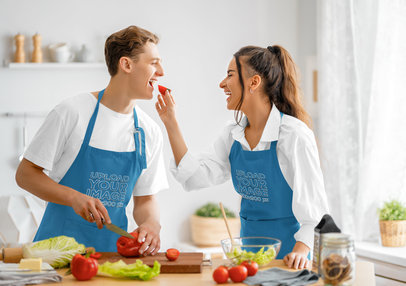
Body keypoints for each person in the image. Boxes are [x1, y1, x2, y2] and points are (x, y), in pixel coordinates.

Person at [155, 45, 329, 269]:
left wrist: (299, 253)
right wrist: (171, 123)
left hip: (291, 259)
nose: (222, 84)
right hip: (249, 260)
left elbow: (315, 212)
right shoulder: (232, 134)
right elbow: (195, 177)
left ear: (253, 82)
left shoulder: (293, 135)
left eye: (230, 75)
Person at [15, 25, 168, 254]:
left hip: (112, 257)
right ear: (126, 64)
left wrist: (151, 224)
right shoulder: (72, 112)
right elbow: (25, 175)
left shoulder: (149, 131)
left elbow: (145, 199)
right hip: (55, 255)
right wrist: (73, 197)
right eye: (154, 63)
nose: (162, 71)